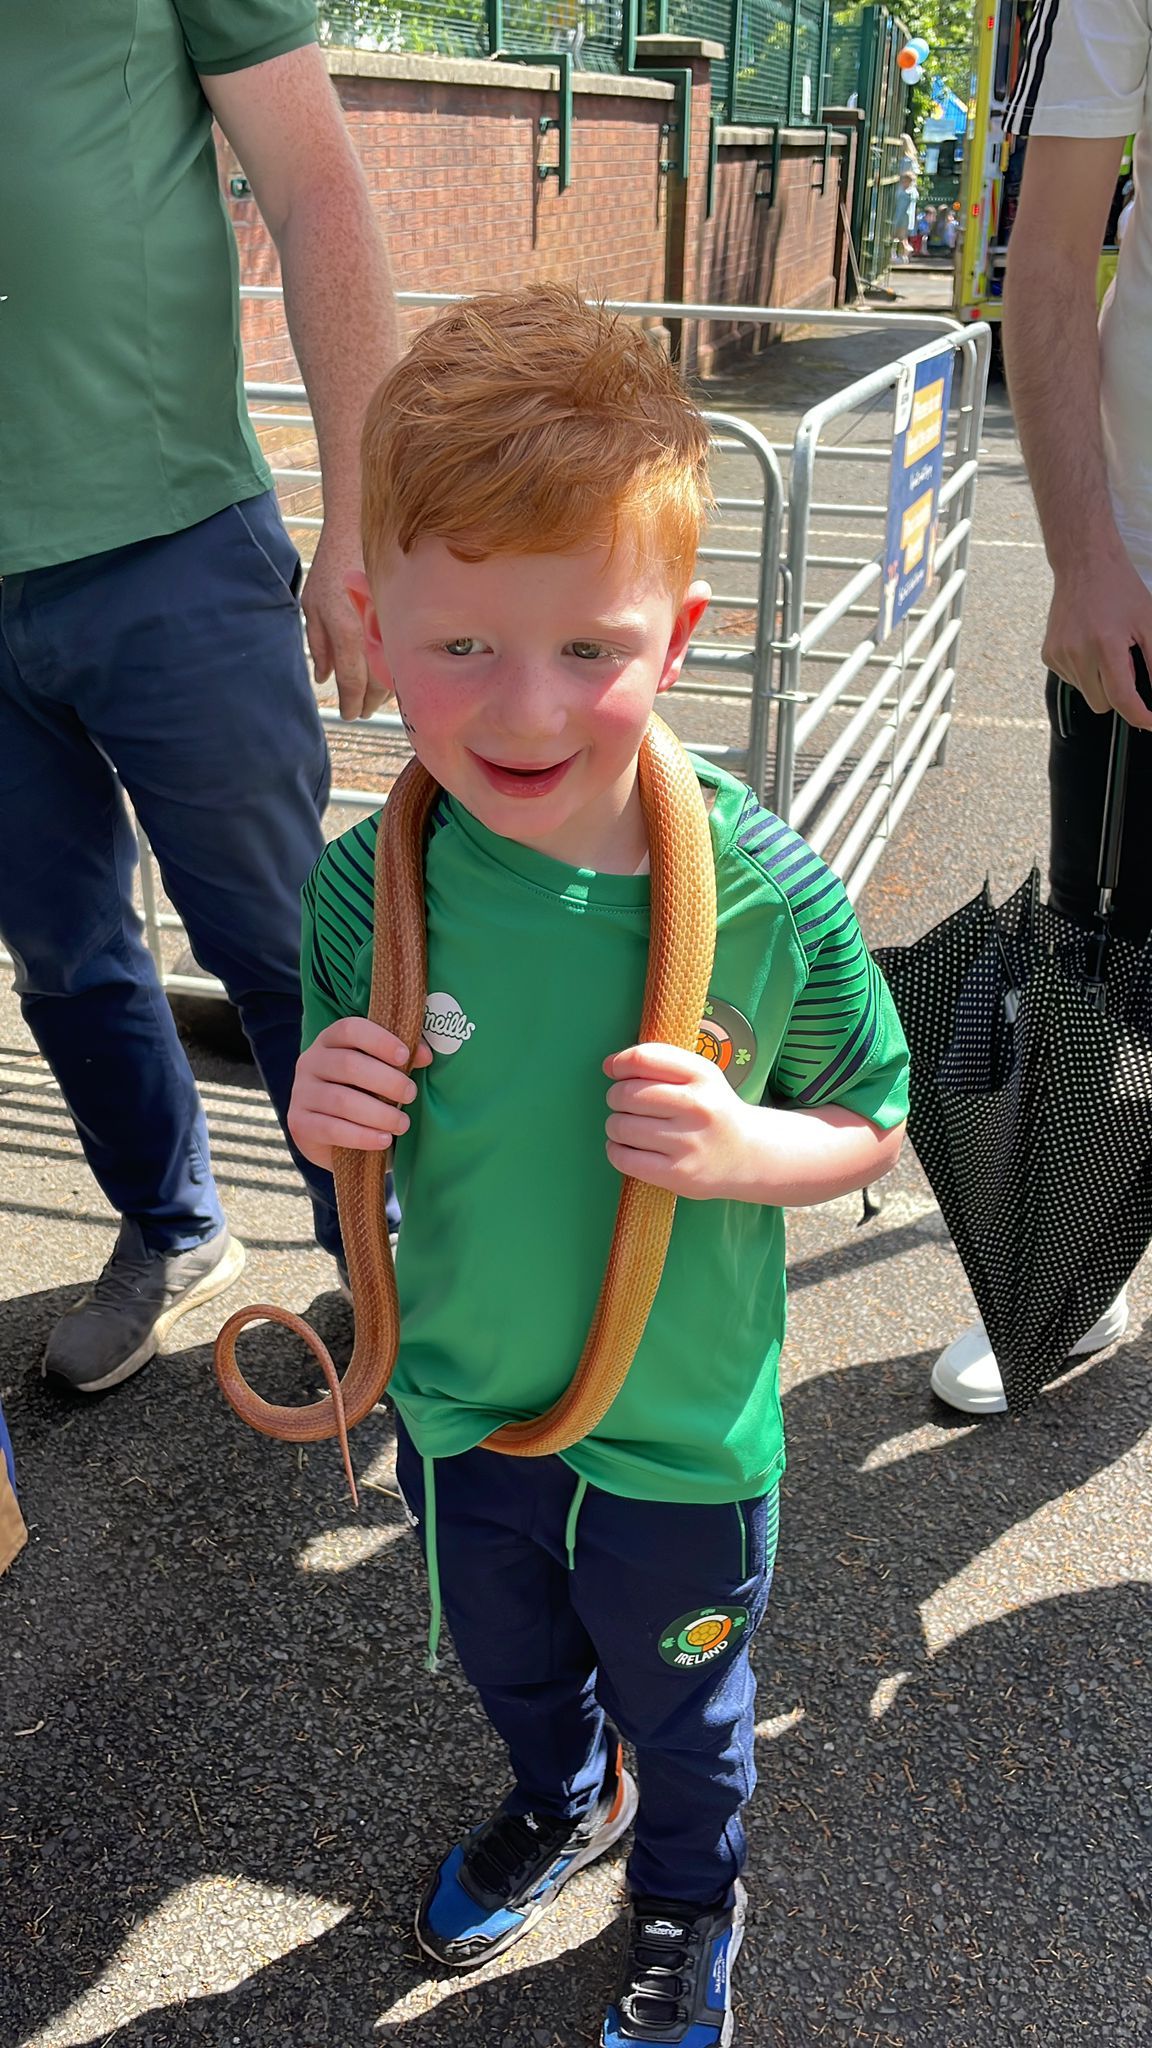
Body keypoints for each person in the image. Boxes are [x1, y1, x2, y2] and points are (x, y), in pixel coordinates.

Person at [288, 285, 910, 2046]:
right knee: (512, 1661)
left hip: (677, 1437)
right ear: (372, 621)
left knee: (690, 1702)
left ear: (682, 631)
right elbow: (344, 1122)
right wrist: (317, 1107)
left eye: (588, 646)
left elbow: (874, 1111)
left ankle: (689, 1890)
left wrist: (735, 1148)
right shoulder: (374, 885)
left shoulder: (760, 886)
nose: (525, 706)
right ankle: (569, 1795)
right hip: (464, 1406)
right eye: (461, 645)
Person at [0, 7, 397, 1394]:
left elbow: (314, 183)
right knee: (61, 955)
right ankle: (172, 1229)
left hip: (169, 542)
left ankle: (384, 1270)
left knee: (293, 950)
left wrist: (363, 517)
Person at [930, 0, 1150, 1413]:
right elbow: (1052, 256)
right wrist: (1081, 561)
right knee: (1107, 962)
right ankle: (1074, 1274)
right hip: (1149, 561)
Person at [892, 170, 918, 263]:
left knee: (900, 237)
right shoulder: (912, 191)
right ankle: (903, 256)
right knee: (902, 238)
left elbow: (902, 208)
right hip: (905, 218)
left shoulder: (907, 193)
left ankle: (903, 255)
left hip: (903, 218)